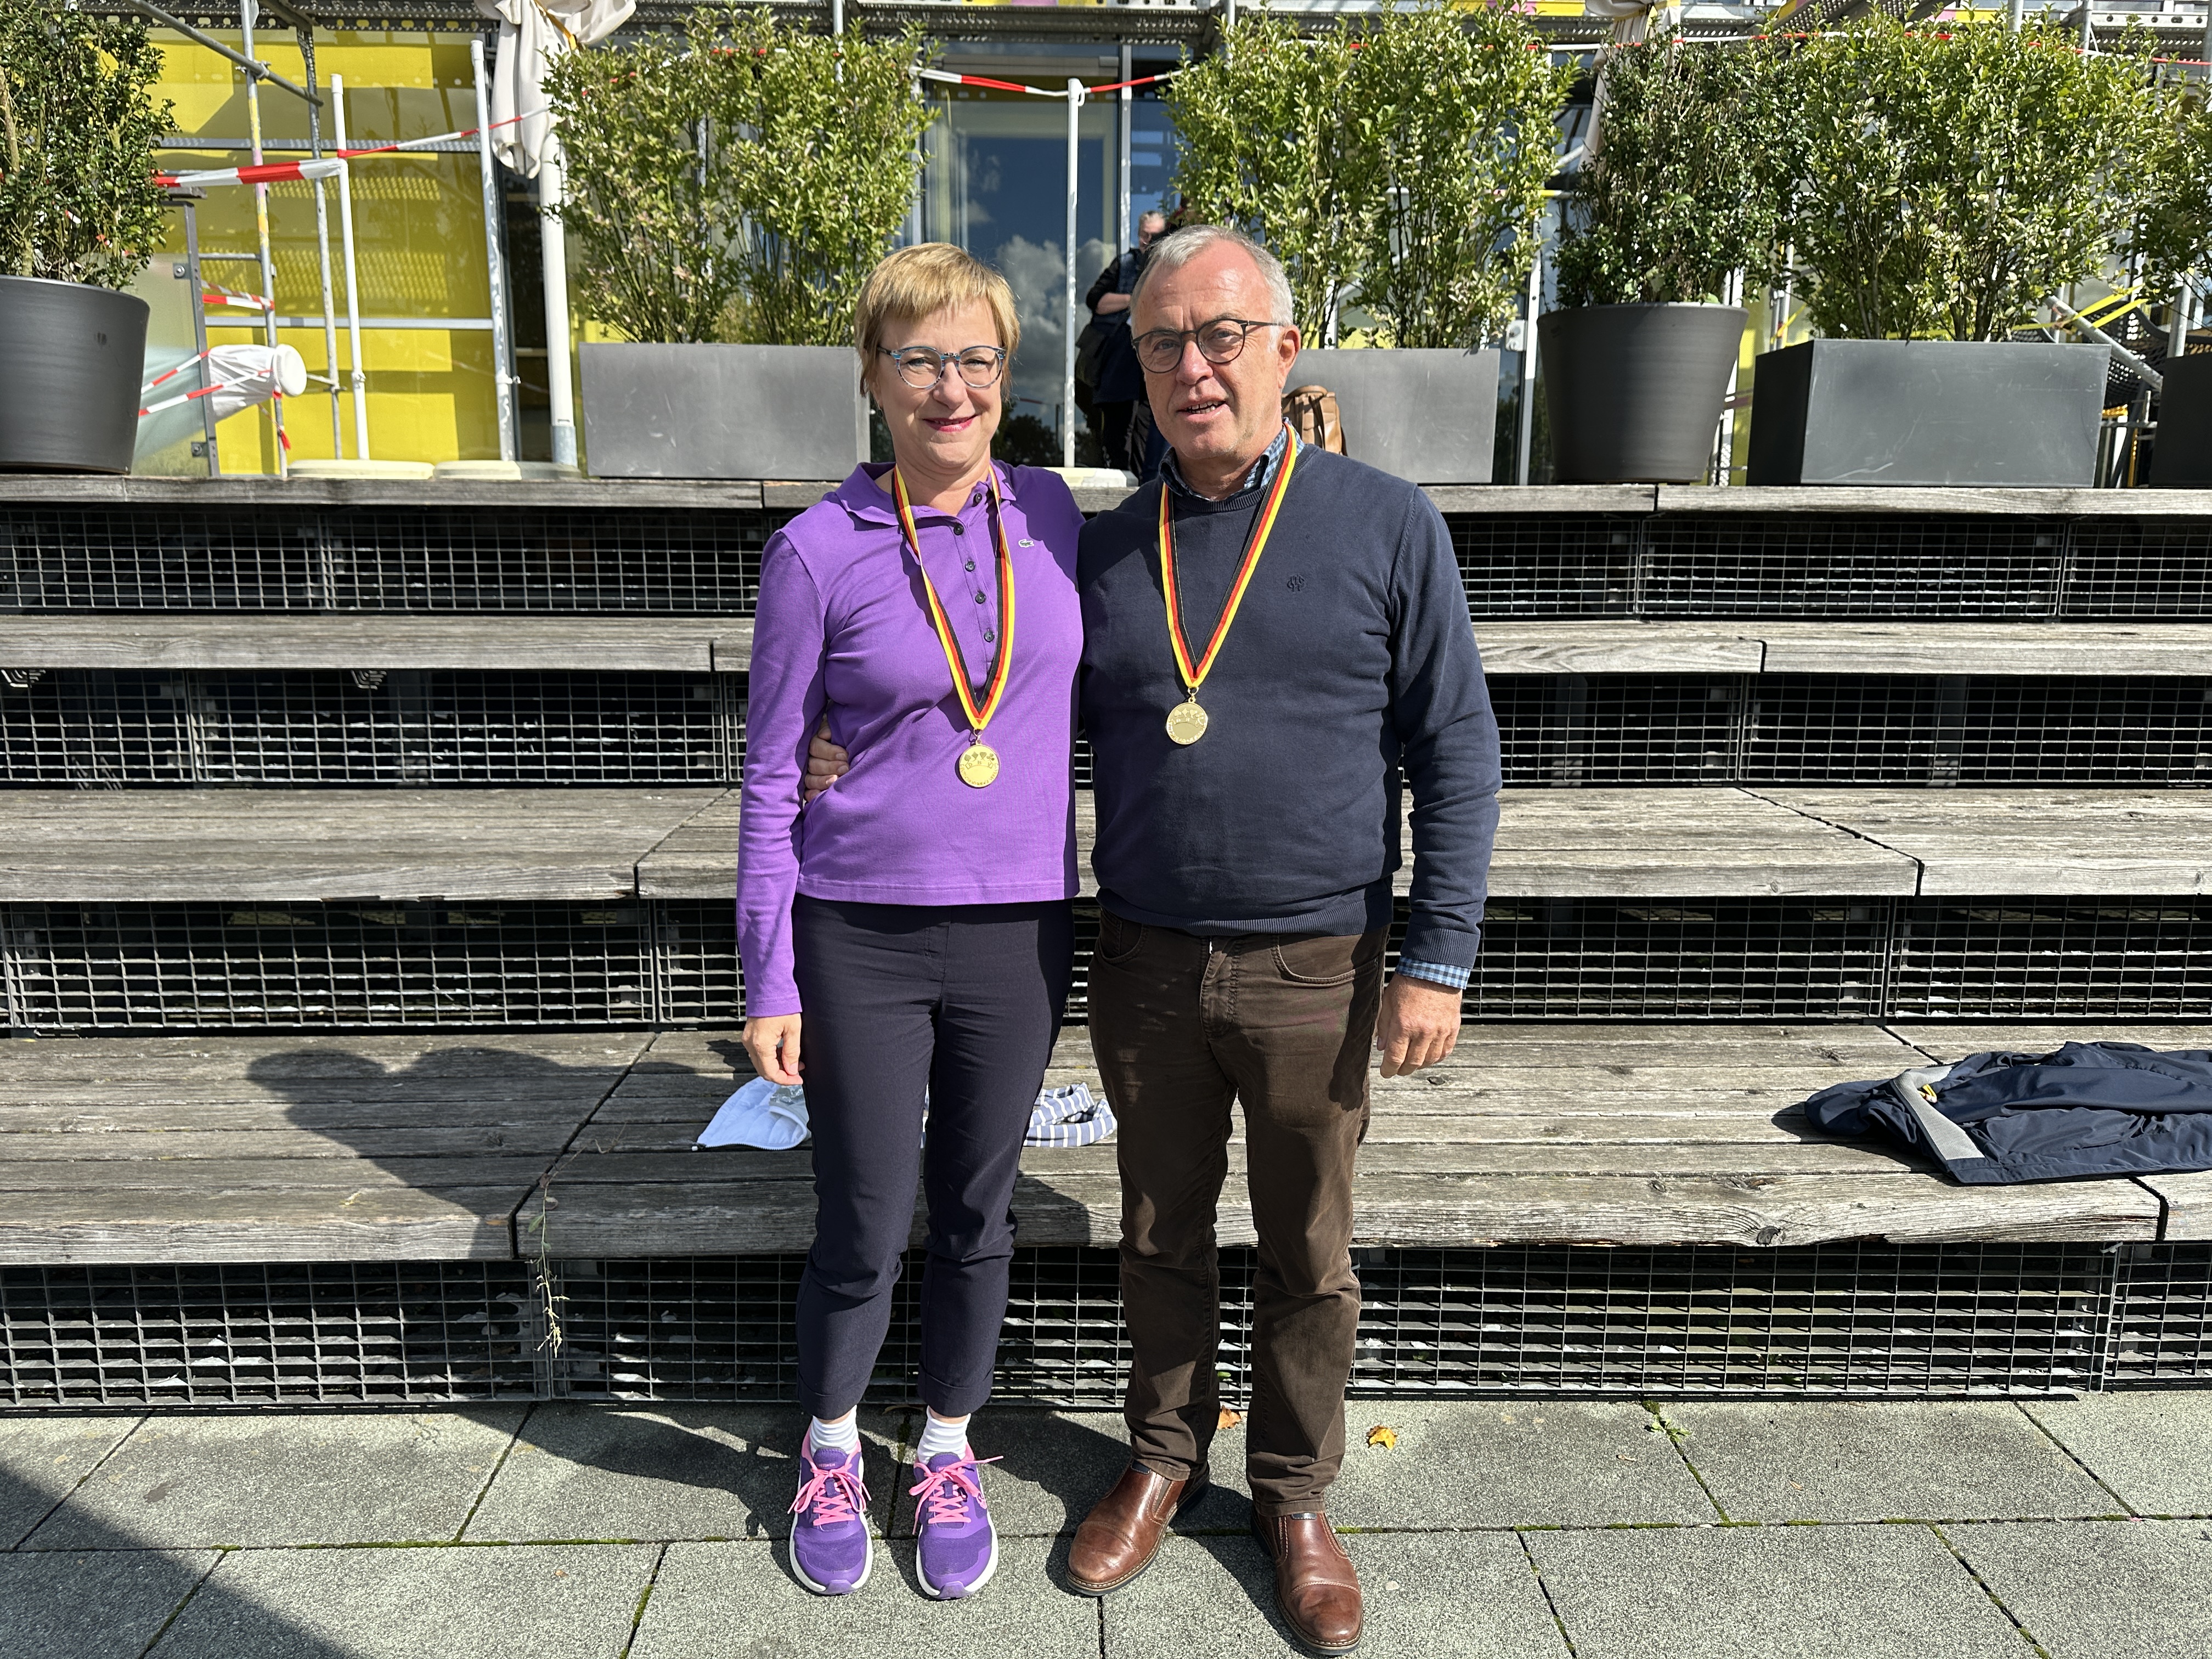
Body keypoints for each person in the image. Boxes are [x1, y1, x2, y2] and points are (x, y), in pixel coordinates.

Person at [805, 224, 1500, 1652]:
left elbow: (1458, 748)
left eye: (1224, 336)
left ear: (1285, 350)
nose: (1196, 367)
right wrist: (847, 736)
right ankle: (1165, 1457)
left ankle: (1294, 1496)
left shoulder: (1386, 523)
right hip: (1146, 959)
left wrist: (1437, 958)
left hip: (1320, 959)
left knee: (1309, 1249)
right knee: (1159, 1234)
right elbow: (988, 680)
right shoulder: (1106, 544)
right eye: (1167, 342)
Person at [736, 242, 1086, 1603]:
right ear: (873, 378)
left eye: (977, 358)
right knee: (867, 1216)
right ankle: (829, 1445)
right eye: (921, 359)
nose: (953, 387)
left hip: (1020, 932)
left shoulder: (1053, 516)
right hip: (862, 934)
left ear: (1007, 374)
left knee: (980, 1209)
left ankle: (945, 1444)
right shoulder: (817, 550)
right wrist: (770, 973)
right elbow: (773, 773)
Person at [1084, 210, 1167, 471]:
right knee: (1118, 435)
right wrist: (1135, 299)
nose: (1149, 242)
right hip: (1121, 361)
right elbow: (1095, 300)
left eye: (1155, 236)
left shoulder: (1170, 268)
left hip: (1155, 364)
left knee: (1148, 435)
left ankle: (1147, 487)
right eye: (1145, 235)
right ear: (1138, 234)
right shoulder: (1125, 264)